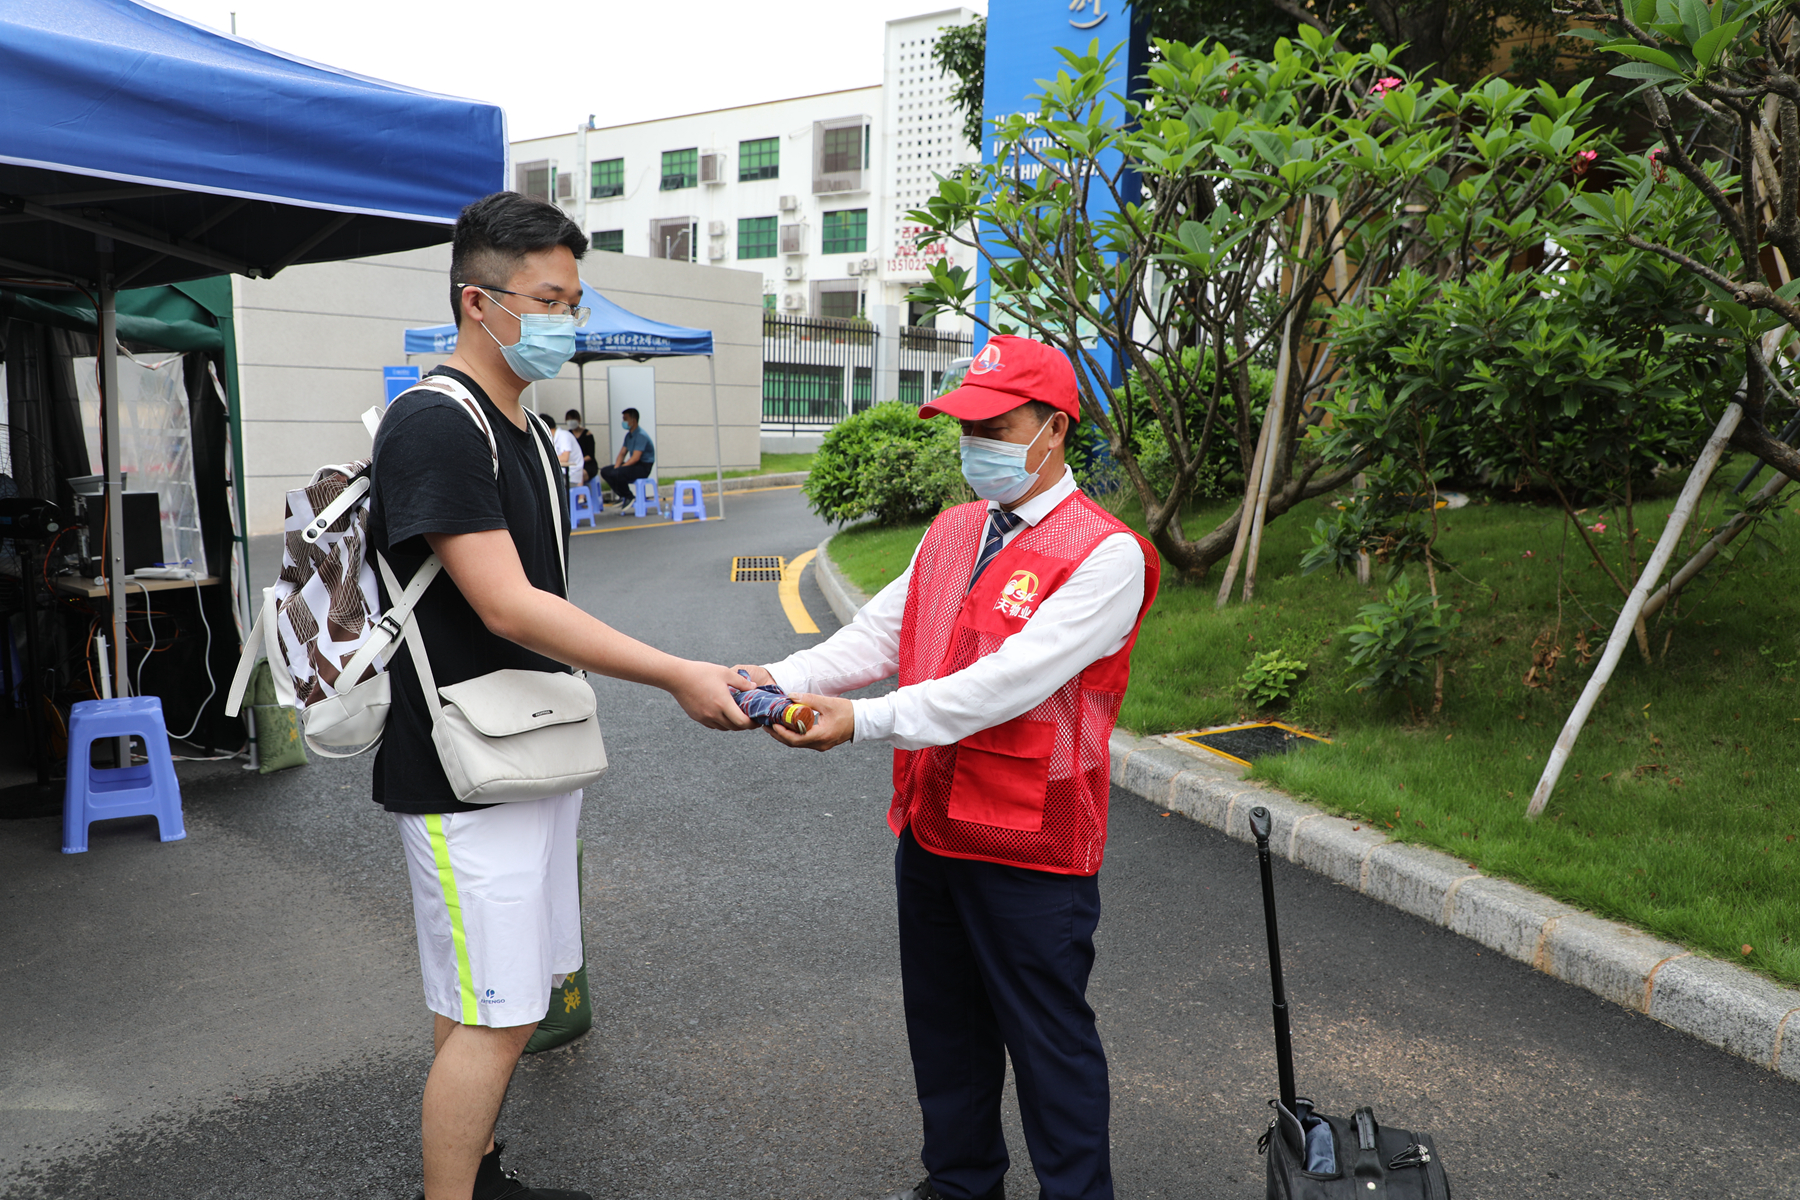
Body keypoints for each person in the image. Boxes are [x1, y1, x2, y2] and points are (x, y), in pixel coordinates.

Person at [368, 191, 751, 1200]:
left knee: (495, 998)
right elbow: (505, 605)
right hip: (463, 767)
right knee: (496, 1015)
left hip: (532, 748)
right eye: (547, 299)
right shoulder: (435, 425)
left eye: (573, 299)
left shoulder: (528, 431)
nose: (565, 322)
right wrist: (676, 671)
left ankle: (480, 1171)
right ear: (477, 302)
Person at [739, 334, 1161, 1200]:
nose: (974, 444)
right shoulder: (955, 528)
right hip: (932, 827)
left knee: (1049, 1044)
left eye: (994, 426)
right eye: (964, 424)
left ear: (1053, 429)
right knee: (946, 1031)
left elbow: (1004, 685)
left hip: (1032, 845)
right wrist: (776, 678)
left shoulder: (1107, 553)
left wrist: (862, 721)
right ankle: (961, 1184)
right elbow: (880, 634)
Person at [599, 407, 654, 509]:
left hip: (644, 467)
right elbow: (622, 454)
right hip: (635, 465)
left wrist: (620, 469)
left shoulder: (641, 436)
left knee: (618, 473)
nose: (623, 421)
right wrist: (616, 467)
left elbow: (635, 458)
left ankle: (629, 496)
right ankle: (622, 495)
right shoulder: (629, 436)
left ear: (633, 420)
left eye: (625, 419)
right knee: (605, 471)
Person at [550, 412, 584, 485]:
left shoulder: (564, 436)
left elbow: (565, 458)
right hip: (563, 472)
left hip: (571, 474)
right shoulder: (555, 437)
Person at [564, 409, 597, 485]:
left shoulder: (587, 434)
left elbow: (590, 455)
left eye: (572, 419)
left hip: (587, 465)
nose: (570, 421)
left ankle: (580, 496)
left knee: (579, 474)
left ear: (578, 420)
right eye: (568, 419)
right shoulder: (567, 434)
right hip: (572, 465)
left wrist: (578, 461)